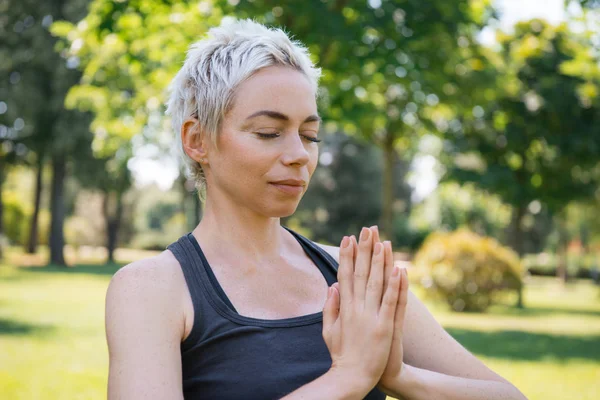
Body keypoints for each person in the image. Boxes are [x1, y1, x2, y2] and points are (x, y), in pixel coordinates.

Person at [105, 19, 528, 400]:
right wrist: (346, 378)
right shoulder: (151, 290)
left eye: (310, 135)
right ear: (197, 140)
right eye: (269, 133)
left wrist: (399, 377)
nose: (298, 156)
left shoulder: (353, 277)